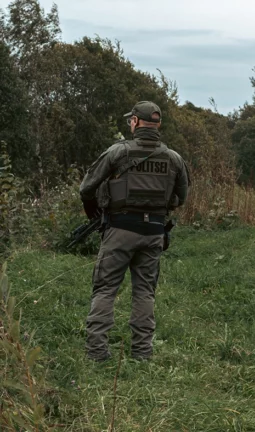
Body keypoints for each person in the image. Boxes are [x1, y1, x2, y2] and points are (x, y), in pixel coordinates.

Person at [79, 101, 190, 361]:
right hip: (153, 233)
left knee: (105, 289)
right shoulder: (174, 158)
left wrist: (94, 214)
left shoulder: (117, 152)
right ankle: (142, 353)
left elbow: (86, 188)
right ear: (158, 125)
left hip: (119, 229)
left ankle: (97, 353)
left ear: (136, 123)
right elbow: (181, 197)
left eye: (132, 120)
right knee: (144, 292)